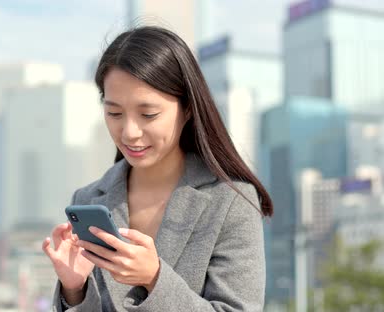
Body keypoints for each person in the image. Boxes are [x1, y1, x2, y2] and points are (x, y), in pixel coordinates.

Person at [42, 26, 273, 311]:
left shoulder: (230, 201)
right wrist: (75, 290)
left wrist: (155, 280)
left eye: (148, 114)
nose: (129, 133)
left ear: (187, 108)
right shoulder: (87, 199)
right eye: (114, 113)